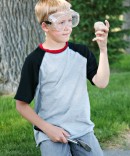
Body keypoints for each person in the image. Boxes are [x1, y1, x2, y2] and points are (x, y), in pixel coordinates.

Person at [14, 0, 110, 155]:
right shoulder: (35, 60)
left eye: (70, 20)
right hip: (49, 132)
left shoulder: (81, 53)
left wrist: (103, 49)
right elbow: (21, 105)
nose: (67, 28)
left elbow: (102, 83)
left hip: (82, 130)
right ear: (45, 26)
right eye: (61, 23)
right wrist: (48, 129)